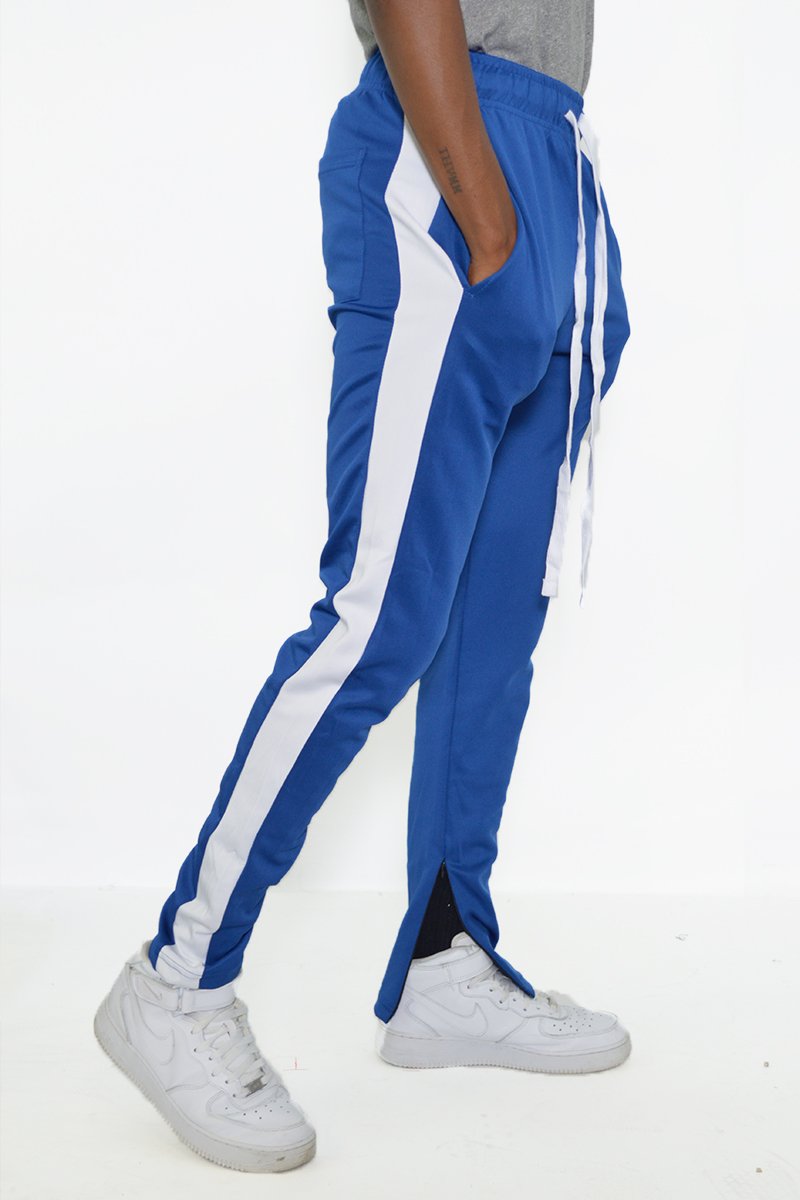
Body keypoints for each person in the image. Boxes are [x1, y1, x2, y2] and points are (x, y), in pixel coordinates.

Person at [94, 0, 632, 1174]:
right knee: (377, 618)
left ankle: (446, 955)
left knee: (491, 624)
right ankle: (176, 982)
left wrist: (534, 220)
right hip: (451, 150)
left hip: (550, 164)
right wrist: (484, 214)